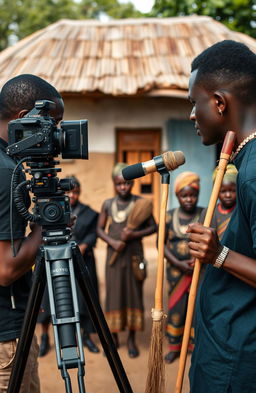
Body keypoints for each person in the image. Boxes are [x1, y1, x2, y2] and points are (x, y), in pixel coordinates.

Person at [186, 40, 256, 393]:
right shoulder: (245, 161)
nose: (191, 115)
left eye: (193, 103)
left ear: (218, 102)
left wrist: (219, 255)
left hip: (237, 364)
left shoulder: (254, 170)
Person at [0, 74, 64, 392]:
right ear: (26, 120)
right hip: (7, 340)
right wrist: (48, 222)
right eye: (53, 125)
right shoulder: (6, 172)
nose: (58, 138)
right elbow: (6, 269)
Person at [97, 163, 157, 358]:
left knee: (133, 294)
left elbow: (153, 227)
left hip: (133, 255)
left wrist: (134, 234)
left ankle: (131, 339)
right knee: (114, 295)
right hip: (114, 258)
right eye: (119, 184)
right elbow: (99, 229)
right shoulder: (107, 204)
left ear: (132, 184)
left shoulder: (141, 203)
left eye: (127, 184)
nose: (123, 187)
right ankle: (114, 338)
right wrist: (113, 242)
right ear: (114, 184)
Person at [37, 176, 100, 355]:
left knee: (84, 299)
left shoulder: (89, 213)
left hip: (82, 260)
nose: (72, 195)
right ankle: (44, 337)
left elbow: (93, 234)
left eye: (76, 192)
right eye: (69, 192)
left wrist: (83, 247)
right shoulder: (51, 210)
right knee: (48, 299)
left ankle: (86, 335)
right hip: (55, 258)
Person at [164, 171, 203, 364]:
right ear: (177, 196)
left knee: (196, 307)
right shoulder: (169, 216)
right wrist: (178, 263)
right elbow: (160, 244)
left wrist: (198, 262)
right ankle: (174, 347)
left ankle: (194, 346)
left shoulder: (204, 214)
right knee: (177, 307)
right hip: (175, 271)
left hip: (198, 271)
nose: (189, 199)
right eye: (184, 195)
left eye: (193, 195)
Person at [209, 164, 237, 241]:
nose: (228, 195)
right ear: (216, 191)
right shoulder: (208, 213)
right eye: (223, 191)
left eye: (232, 190)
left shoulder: (242, 212)